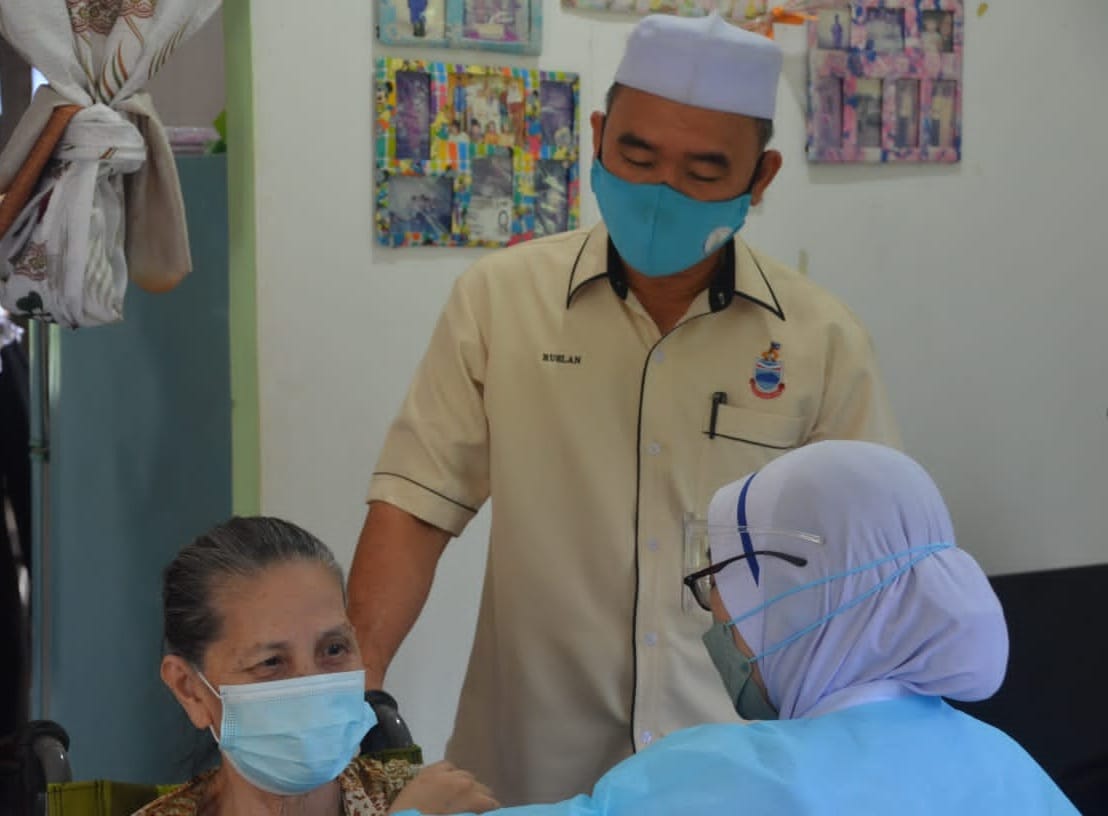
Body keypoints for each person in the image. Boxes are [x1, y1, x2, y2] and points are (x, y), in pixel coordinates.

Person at [348, 12, 901, 806]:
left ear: (761, 177)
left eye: (703, 172)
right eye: (637, 158)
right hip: (532, 766)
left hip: (737, 774)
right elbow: (415, 504)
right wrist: (354, 693)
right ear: (598, 138)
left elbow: (870, 571)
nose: (661, 193)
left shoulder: (823, 343)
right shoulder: (502, 302)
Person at [399, 442, 1080, 815]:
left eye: (719, 582)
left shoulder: (729, 781)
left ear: (796, 596)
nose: (715, 613)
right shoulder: (1008, 768)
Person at [136, 517, 498, 816]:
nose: (312, 684)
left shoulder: (436, 800)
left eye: (334, 649)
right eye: (271, 662)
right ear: (190, 690)